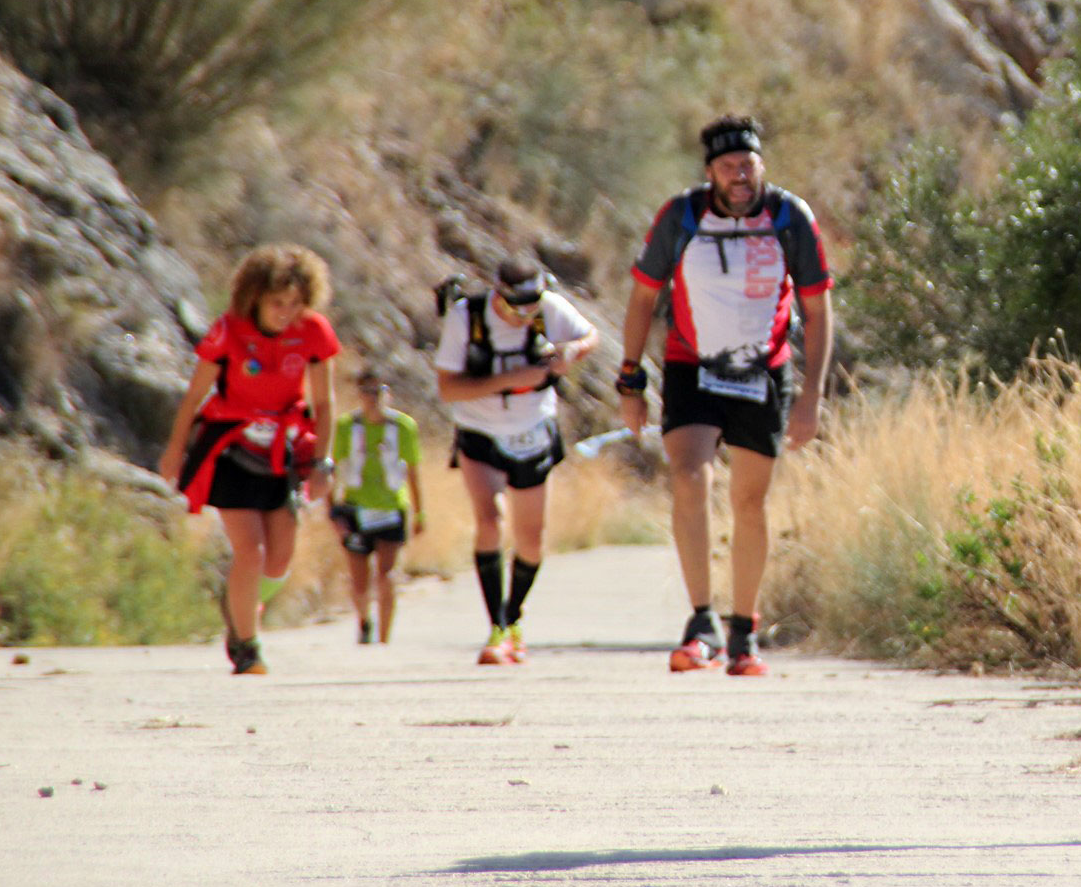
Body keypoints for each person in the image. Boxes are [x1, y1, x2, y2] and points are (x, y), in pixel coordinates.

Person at [617, 114, 834, 677]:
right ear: (710, 171)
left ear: (761, 165)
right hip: (692, 366)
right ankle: (701, 623)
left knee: (750, 502)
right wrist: (631, 381)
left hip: (764, 371)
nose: (740, 176)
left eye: (748, 164)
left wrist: (811, 396)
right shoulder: (681, 216)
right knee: (690, 476)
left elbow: (817, 308)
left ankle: (744, 631)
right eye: (728, 166)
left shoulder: (790, 218)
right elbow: (642, 298)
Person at [159, 244, 339, 676]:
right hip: (232, 450)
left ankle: (240, 607)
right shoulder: (228, 331)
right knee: (251, 551)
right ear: (255, 296)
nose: (286, 313)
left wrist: (322, 463)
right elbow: (194, 396)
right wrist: (175, 450)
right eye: (277, 303)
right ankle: (246, 646)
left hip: (283, 452)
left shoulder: (313, 331)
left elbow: (324, 403)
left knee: (279, 559)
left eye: (295, 304)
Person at [435, 256, 597, 665]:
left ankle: (514, 616)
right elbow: (449, 389)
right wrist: (509, 380)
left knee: (531, 540)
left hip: (532, 430)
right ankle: (497, 627)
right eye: (515, 308)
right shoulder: (465, 317)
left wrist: (572, 351)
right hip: (480, 430)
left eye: (531, 306)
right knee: (490, 521)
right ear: (497, 294)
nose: (525, 316)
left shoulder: (550, 309)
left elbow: (589, 335)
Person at [329, 368, 425, 645]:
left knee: (387, 575)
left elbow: (413, 471)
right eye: (367, 392)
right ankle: (364, 622)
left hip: (391, 507)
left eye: (378, 391)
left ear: (388, 393)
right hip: (355, 507)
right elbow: (334, 469)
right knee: (359, 580)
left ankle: (384, 638)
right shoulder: (346, 426)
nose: (373, 398)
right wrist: (332, 509)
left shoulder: (403, 426)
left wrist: (420, 512)